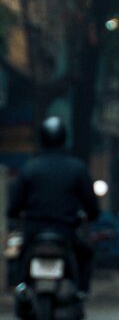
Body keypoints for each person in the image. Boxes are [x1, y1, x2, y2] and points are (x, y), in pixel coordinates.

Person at [7, 116, 99, 293]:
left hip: (34, 231)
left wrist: (15, 216)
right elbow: (91, 205)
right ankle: (81, 291)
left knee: (20, 255)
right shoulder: (77, 168)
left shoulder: (29, 168)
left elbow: (14, 206)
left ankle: (20, 288)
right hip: (66, 231)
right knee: (86, 254)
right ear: (64, 138)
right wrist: (91, 215)